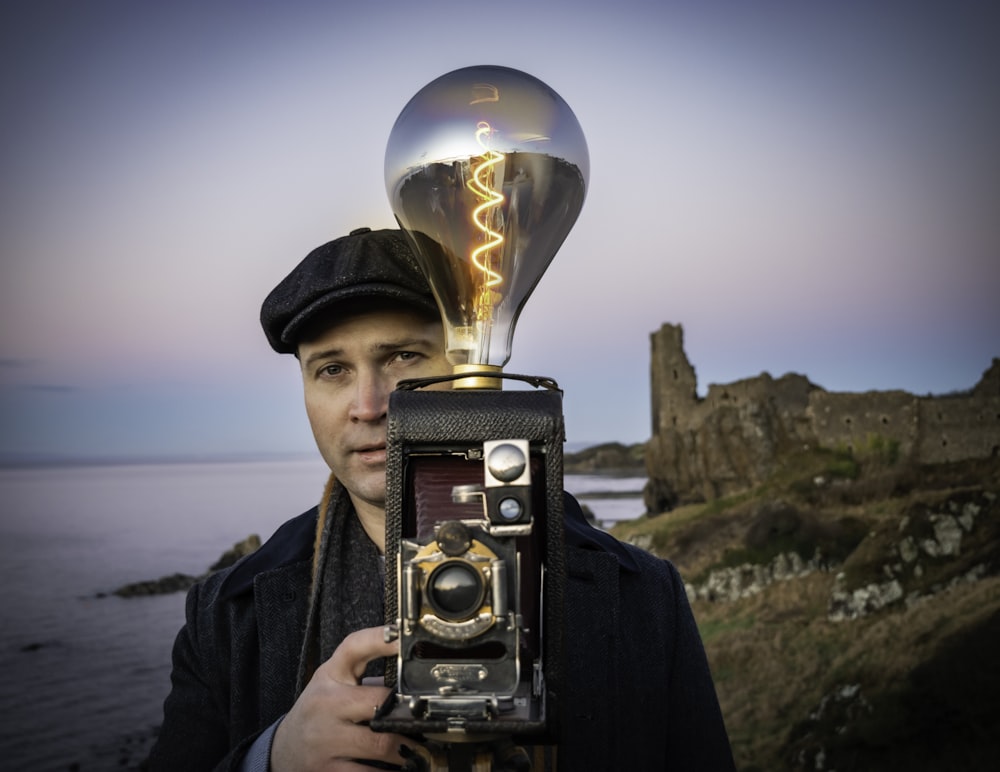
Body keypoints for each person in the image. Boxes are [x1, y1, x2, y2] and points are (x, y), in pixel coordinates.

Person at [148, 227, 736, 771]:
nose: (369, 404)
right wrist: (273, 758)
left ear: (470, 373)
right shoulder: (225, 615)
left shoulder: (642, 598)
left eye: (402, 356)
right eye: (331, 370)